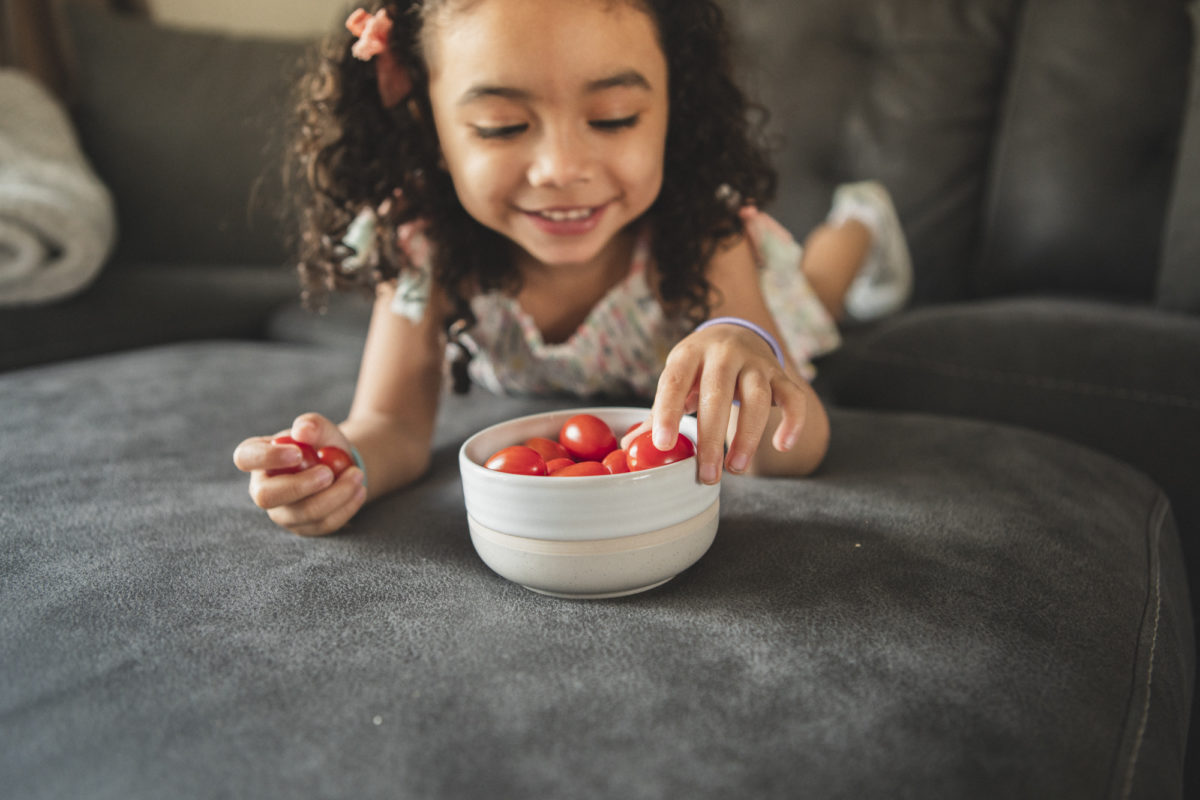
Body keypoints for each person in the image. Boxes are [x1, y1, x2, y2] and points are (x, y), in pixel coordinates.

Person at [233, 0, 912, 536]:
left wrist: (749, 358)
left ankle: (861, 223)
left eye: (614, 118)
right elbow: (395, 425)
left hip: (748, 288)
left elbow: (794, 448)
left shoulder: (701, 234)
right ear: (422, 111)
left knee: (819, 293)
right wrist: (338, 467)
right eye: (501, 126)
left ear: (675, 98)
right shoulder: (426, 249)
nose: (561, 170)